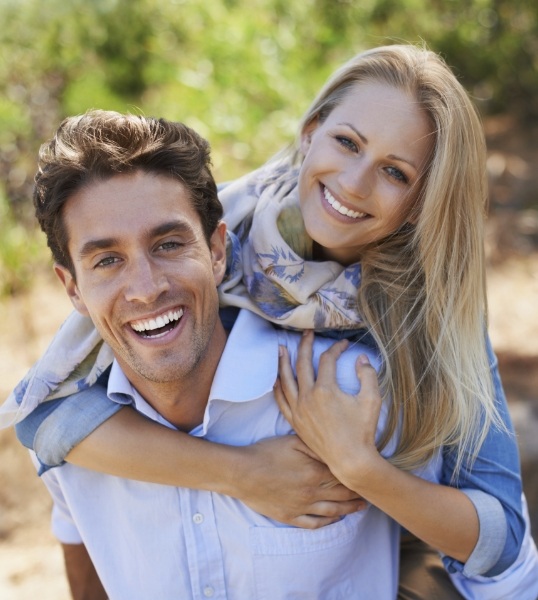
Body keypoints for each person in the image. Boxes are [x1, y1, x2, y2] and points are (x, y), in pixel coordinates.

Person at [4, 44, 537, 597]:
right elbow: (43, 419)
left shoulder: (426, 319)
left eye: (395, 173)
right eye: (347, 142)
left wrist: (359, 468)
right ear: (310, 134)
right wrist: (243, 474)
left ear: (426, 198)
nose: (353, 183)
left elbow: (502, 543)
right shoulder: (228, 233)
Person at [23, 109, 436, 599]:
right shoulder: (72, 446)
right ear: (72, 288)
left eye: (169, 244)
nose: (146, 288)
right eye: (107, 260)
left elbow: (473, 560)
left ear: (218, 251)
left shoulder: (355, 391)